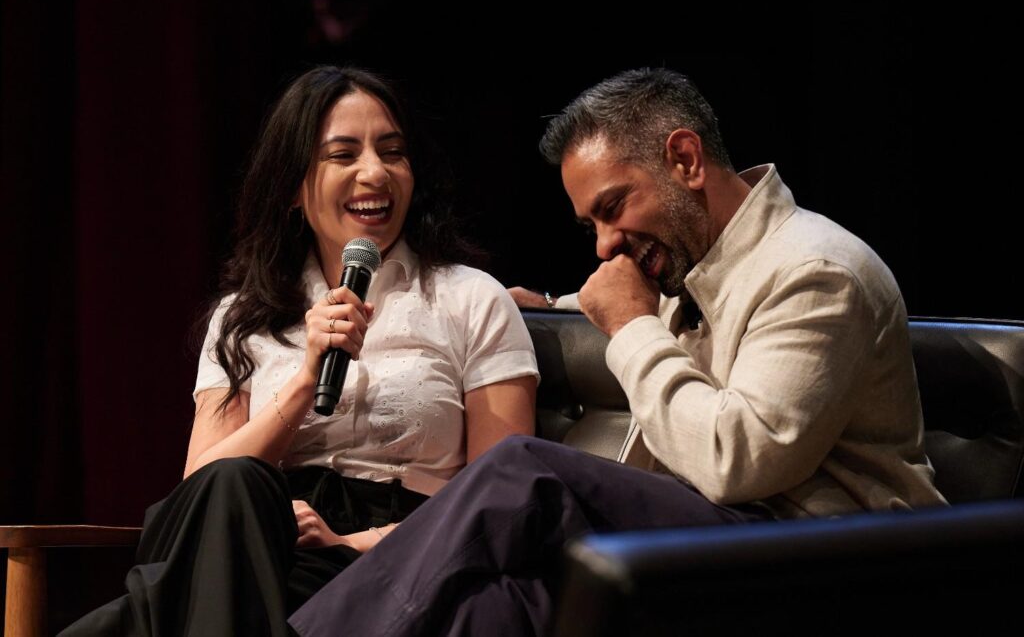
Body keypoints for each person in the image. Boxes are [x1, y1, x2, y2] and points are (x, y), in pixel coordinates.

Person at [289, 68, 946, 636]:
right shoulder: (695, 262)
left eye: (613, 207)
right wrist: (553, 308)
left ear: (685, 160)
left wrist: (631, 328)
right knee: (488, 608)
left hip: (825, 566)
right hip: (716, 551)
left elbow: (739, 459)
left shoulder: (815, 271)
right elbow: (650, 307)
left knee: (525, 472)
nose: (604, 245)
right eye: (590, 225)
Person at [60, 66, 539, 636]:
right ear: (292, 186)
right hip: (260, 540)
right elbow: (202, 489)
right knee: (234, 485)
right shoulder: (242, 317)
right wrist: (305, 380)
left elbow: (500, 492)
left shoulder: (470, 299)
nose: (374, 172)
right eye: (343, 154)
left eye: (392, 151)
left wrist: (353, 541)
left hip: (397, 552)